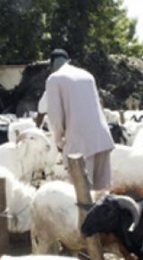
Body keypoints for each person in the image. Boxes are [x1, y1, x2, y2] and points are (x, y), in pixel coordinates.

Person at [45, 49, 115, 190]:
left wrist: (59, 142)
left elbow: (55, 117)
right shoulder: (87, 75)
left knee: (83, 195)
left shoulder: (54, 79)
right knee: (103, 193)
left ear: (52, 65)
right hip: (102, 138)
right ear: (68, 61)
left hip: (80, 144)